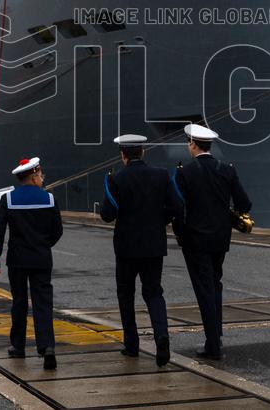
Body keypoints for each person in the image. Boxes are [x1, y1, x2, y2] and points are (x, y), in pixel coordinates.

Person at [173, 123, 252, 360]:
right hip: (220, 239)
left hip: (195, 241)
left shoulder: (184, 172)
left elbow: (178, 208)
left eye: (189, 142)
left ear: (193, 145)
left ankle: (213, 345)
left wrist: (180, 234)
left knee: (204, 289)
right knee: (215, 285)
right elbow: (244, 204)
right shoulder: (226, 170)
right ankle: (216, 337)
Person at [101, 134, 180, 367]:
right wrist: (159, 221)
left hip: (126, 248)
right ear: (143, 152)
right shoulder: (162, 175)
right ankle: (161, 337)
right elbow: (177, 206)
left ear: (123, 155)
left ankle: (132, 345)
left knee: (126, 295)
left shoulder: (116, 179)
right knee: (154, 293)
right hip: (154, 245)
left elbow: (107, 215)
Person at [0, 157, 63, 371]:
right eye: (41, 175)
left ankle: (18, 346)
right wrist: (43, 245)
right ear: (34, 174)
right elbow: (57, 230)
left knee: (19, 302)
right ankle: (47, 347)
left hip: (17, 261)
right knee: (43, 303)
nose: (42, 178)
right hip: (41, 259)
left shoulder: (8, 199)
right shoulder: (49, 198)